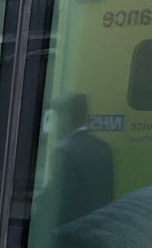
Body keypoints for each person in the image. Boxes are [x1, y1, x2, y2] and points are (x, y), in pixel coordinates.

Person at [38, 93, 114, 226]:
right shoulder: (104, 148)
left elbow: (60, 196)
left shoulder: (65, 151)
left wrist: (37, 203)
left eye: (57, 117)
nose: (56, 123)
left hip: (72, 227)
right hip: (97, 225)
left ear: (66, 117)